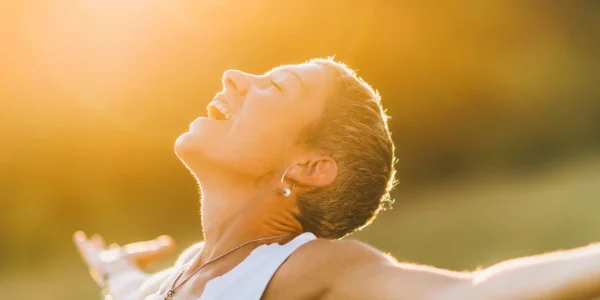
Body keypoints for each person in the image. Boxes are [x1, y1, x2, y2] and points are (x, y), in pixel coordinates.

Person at [74, 58, 600, 300]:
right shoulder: (178, 278)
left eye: (274, 88)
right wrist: (111, 270)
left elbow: (473, 293)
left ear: (309, 167)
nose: (234, 77)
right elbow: (128, 290)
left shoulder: (306, 268)